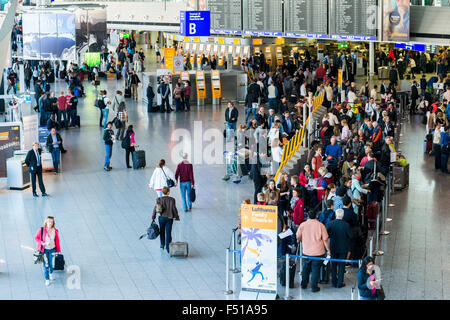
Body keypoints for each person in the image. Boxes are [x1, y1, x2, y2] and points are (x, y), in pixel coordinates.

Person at [296, 210, 331, 292]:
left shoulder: (303, 225)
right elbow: (325, 239)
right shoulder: (321, 225)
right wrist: (328, 250)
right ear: (316, 216)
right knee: (316, 269)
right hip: (318, 252)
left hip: (306, 251)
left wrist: (299, 240)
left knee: (306, 268)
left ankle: (304, 284)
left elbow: (298, 236)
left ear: (308, 216)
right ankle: (314, 287)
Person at [326, 208, 352, 288]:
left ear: (336, 215)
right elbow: (351, 236)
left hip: (333, 247)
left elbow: (326, 236)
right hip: (343, 248)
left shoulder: (330, 224)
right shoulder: (346, 225)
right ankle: (340, 282)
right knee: (341, 265)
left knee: (333, 265)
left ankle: (334, 282)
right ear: (343, 215)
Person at [34, 216, 61, 286]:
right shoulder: (42, 230)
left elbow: (57, 241)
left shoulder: (55, 230)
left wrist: (58, 250)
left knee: (51, 265)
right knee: (46, 265)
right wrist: (42, 242)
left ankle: (51, 273)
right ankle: (47, 279)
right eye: (49, 221)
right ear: (46, 222)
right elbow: (36, 238)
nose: (50, 223)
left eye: (51, 222)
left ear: (53, 223)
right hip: (44, 250)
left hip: (52, 249)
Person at [152, 186, 180, 253]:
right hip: (169, 218)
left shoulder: (159, 199)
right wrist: (177, 217)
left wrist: (153, 216)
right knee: (168, 232)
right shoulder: (172, 199)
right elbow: (174, 209)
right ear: (168, 192)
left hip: (161, 218)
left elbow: (155, 208)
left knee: (162, 231)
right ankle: (168, 247)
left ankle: (162, 244)